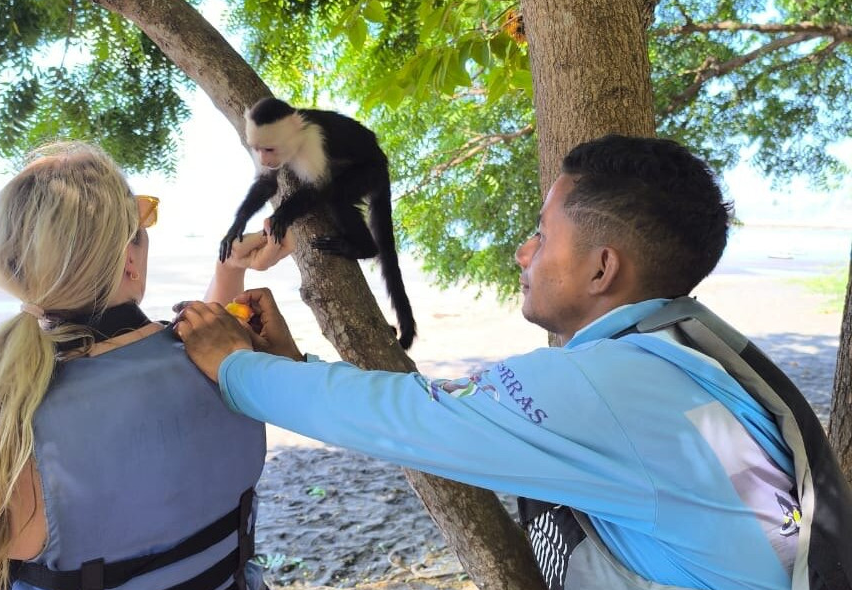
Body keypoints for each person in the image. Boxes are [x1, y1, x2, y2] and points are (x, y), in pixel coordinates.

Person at [171, 134, 852, 590]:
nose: (522, 253)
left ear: (602, 268)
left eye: (541, 235)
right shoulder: (688, 361)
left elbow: (406, 418)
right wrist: (294, 363)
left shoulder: (606, 387)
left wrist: (234, 367)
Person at [0, 140, 292, 590]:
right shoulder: (232, 367)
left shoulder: (5, 425)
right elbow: (188, 367)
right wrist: (229, 272)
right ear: (129, 259)